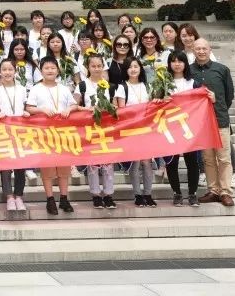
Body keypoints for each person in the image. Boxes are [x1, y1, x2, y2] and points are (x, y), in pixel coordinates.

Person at [25, 56, 80, 215]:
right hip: (44, 134)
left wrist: (69, 109)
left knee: (64, 168)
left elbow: (74, 105)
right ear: (41, 71)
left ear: (58, 70)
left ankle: (64, 198)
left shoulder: (63, 88)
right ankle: (50, 199)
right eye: (46, 68)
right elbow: (29, 108)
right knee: (47, 169)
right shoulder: (36, 88)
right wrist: (41, 110)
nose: (50, 70)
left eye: (53, 68)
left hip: (63, 133)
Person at [190, 37, 235, 207]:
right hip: (201, 123)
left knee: (224, 158)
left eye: (204, 48)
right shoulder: (189, 71)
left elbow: (229, 96)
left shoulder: (222, 69)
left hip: (219, 119)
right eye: (198, 49)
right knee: (208, 158)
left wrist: (217, 102)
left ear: (210, 50)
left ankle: (225, 192)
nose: (201, 51)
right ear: (193, 51)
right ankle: (213, 190)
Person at [115, 57, 156, 208]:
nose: (133, 69)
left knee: (147, 162)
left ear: (140, 68)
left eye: (136, 66)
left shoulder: (147, 85)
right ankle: (138, 194)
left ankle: (148, 194)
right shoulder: (122, 87)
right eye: (130, 67)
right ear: (126, 70)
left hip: (146, 129)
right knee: (135, 162)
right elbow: (121, 110)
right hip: (131, 130)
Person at [77, 53, 116, 209]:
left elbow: (116, 106)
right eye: (93, 66)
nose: (96, 69)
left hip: (107, 129)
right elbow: (75, 106)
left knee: (108, 162)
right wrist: (89, 109)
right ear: (88, 67)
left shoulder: (110, 86)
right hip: (90, 128)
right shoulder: (82, 85)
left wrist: (109, 108)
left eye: (99, 66)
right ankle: (95, 194)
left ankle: (108, 194)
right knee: (92, 163)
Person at [0, 58, 28, 213]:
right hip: (4, 131)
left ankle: (19, 195)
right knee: (6, 166)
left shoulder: (22, 89)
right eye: (4, 70)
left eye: (10, 69)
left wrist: (26, 113)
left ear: (15, 71)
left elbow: (26, 108)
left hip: (20, 131)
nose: (7, 72)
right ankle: (9, 197)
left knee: (20, 165)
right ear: (0, 72)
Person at [166, 51, 201, 207]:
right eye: (173, 61)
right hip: (170, 127)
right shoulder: (164, 82)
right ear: (169, 64)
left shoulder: (193, 82)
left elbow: (200, 103)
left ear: (186, 64)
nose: (177, 64)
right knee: (171, 162)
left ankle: (193, 194)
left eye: (180, 61)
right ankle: (177, 193)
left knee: (192, 162)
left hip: (189, 127)